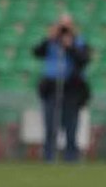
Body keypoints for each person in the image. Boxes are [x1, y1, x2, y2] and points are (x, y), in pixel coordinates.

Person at [32, 14, 92, 163]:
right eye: (62, 26)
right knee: (50, 124)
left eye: (67, 26)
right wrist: (50, 37)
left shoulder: (79, 42)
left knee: (71, 126)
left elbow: (84, 60)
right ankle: (49, 156)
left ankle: (71, 157)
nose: (64, 30)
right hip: (52, 87)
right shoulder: (51, 42)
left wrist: (70, 46)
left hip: (72, 89)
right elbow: (37, 52)